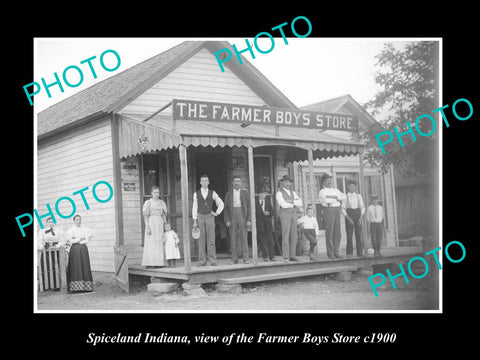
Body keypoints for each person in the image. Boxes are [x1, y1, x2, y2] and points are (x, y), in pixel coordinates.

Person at [192, 174, 224, 266]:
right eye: (203, 181)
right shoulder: (196, 193)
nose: (205, 182)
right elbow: (195, 207)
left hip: (210, 217)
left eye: (206, 180)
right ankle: (202, 261)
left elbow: (221, 203)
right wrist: (195, 220)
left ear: (208, 182)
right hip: (200, 216)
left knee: (211, 239)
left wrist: (217, 213)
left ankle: (213, 260)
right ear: (200, 182)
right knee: (201, 239)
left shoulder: (212, 193)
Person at [318, 174, 346, 259]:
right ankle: (330, 253)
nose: (329, 181)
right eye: (327, 180)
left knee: (337, 232)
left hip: (337, 209)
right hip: (329, 210)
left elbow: (344, 197)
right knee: (330, 232)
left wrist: (335, 197)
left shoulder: (335, 189)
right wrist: (337, 198)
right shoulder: (322, 191)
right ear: (323, 182)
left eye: (330, 180)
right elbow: (327, 200)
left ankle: (336, 252)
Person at [224, 176, 251, 264]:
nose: (237, 183)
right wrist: (227, 220)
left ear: (241, 183)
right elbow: (226, 208)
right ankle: (234, 259)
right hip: (232, 215)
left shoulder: (245, 193)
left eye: (238, 181)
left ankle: (246, 258)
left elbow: (249, 207)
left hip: (242, 214)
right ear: (232, 183)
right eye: (235, 181)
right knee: (233, 237)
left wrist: (249, 219)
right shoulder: (228, 194)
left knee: (244, 237)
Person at [276, 175, 303, 262]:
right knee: (285, 235)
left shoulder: (293, 192)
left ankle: (292, 255)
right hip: (285, 214)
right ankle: (286, 257)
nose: (287, 184)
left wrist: (291, 202)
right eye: (286, 182)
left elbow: (300, 203)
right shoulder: (279, 193)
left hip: (293, 214)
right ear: (282, 183)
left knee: (294, 235)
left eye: (289, 182)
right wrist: (293, 203)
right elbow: (283, 204)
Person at [65, 215, 93, 293]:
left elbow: (87, 239)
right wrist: (79, 239)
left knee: (84, 265)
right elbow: (70, 240)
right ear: (74, 221)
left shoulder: (85, 229)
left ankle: (86, 287)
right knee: (75, 266)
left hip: (83, 248)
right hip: (75, 250)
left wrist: (80, 240)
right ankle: (75, 287)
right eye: (77, 220)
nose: (79, 221)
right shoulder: (71, 230)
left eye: (80, 219)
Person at [142, 186, 168, 268]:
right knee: (151, 242)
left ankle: (159, 263)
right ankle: (151, 263)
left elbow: (164, 215)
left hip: (159, 222)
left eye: (158, 192)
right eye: (155, 192)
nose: (156, 194)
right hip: (151, 222)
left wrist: (166, 225)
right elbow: (146, 216)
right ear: (151, 193)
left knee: (160, 241)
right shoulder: (148, 202)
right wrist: (147, 226)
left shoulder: (161, 202)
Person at [38, 217, 66, 289]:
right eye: (49, 222)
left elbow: (62, 241)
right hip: (46, 251)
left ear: (54, 223)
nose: (51, 223)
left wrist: (56, 246)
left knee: (56, 266)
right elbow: (40, 241)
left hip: (55, 251)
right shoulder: (42, 231)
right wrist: (42, 247)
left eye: (52, 222)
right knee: (46, 266)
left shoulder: (58, 231)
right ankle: (47, 285)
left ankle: (56, 285)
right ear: (47, 223)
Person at [341, 180, 366, 258]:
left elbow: (363, 207)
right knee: (349, 235)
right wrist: (348, 218)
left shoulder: (359, 196)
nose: (352, 188)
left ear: (355, 187)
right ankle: (349, 253)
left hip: (358, 216)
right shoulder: (345, 196)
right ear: (348, 187)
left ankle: (359, 252)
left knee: (358, 235)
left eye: (354, 186)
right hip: (349, 216)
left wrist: (361, 217)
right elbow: (342, 209)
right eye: (351, 186)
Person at [255, 187, 276, 262]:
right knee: (262, 241)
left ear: (266, 195)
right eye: (261, 193)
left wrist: (269, 213)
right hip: (259, 225)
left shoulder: (268, 202)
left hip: (268, 225)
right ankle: (265, 257)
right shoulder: (255, 203)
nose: (262, 195)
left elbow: (273, 212)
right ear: (258, 195)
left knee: (270, 241)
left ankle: (272, 256)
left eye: (264, 193)